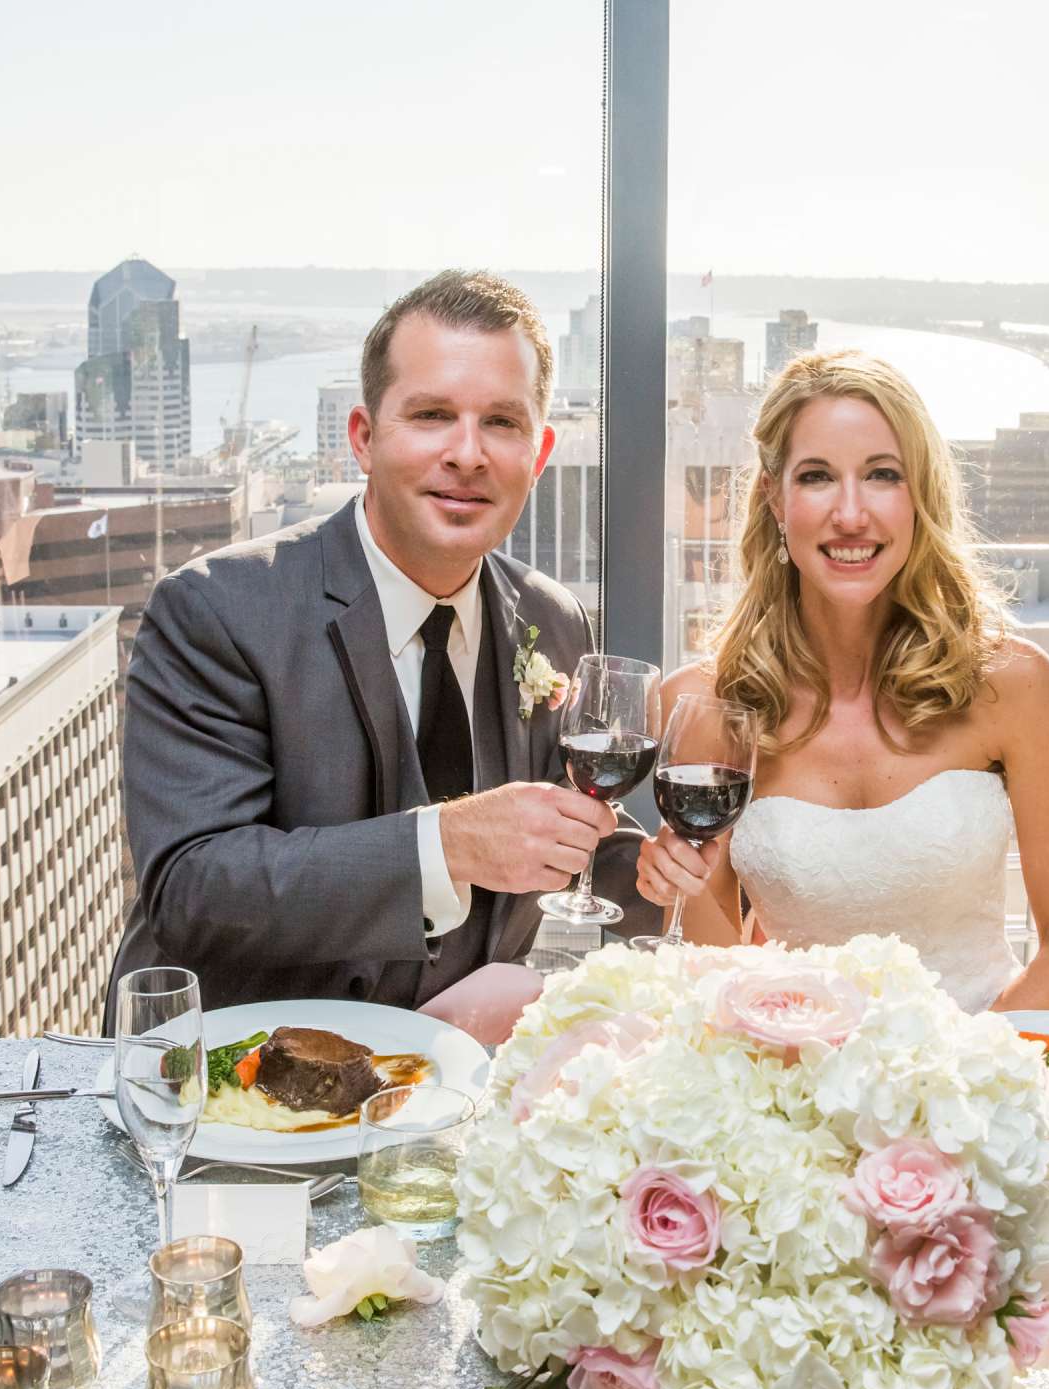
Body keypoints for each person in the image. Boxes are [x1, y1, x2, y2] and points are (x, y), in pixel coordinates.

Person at [115, 270, 651, 1026]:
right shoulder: (217, 610)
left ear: (539, 451)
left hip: (461, 1087)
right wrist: (449, 844)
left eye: (502, 422)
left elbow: (564, 827)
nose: (467, 454)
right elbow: (196, 889)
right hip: (245, 1094)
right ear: (364, 439)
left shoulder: (551, 617)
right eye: (432, 415)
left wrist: (667, 871)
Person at [634, 350, 1049, 1011]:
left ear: (920, 497)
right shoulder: (700, 707)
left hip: (983, 1079)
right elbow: (721, 975)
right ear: (774, 498)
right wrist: (686, 889)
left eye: (883, 475)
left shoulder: (1015, 686)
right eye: (818, 477)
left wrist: (950, 1086)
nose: (851, 515)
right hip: (791, 1083)